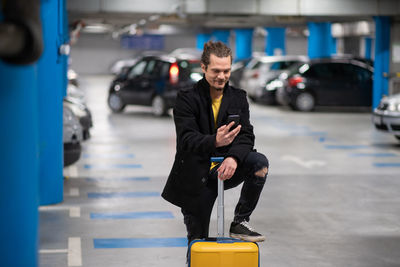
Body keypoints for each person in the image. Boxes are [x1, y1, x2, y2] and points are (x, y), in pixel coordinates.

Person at [161, 41, 269, 249]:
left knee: (259, 164)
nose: (221, 76)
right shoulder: (187, 99)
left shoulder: (238, 98)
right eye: (216, 71)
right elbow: (186, 139)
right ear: (203, 68)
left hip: (226, 168)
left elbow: (246, 135)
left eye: (226, 71)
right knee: (198, 242)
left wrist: (233, 157)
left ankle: (240, 222)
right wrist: (215, 141)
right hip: (196, 175)